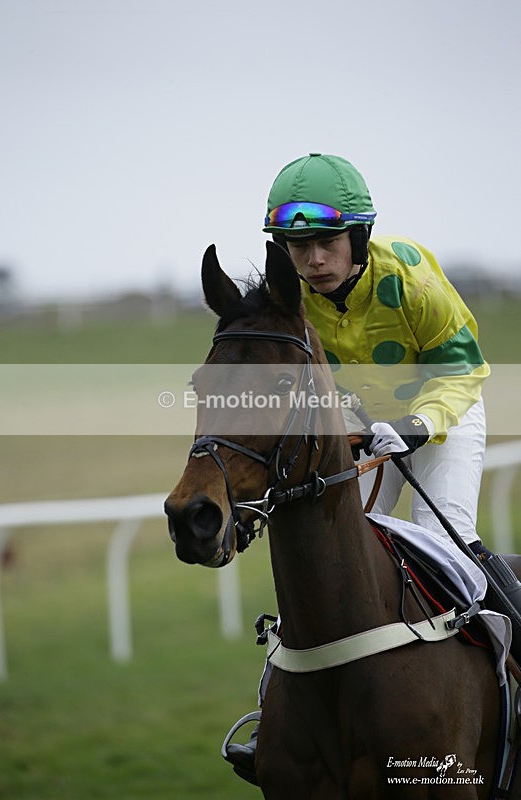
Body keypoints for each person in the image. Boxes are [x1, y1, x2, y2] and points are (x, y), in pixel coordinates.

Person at [223, 152, 521, 785]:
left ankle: (506, 689)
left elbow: (464, 371)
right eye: (297, 248)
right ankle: (275, 721)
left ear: (358, 236)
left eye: (327, 244)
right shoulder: (291, 300)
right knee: (334, 569)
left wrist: (411, 429)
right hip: (361, 428)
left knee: (448, 553)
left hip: (440, 415)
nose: (314, 262)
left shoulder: (408, 277)